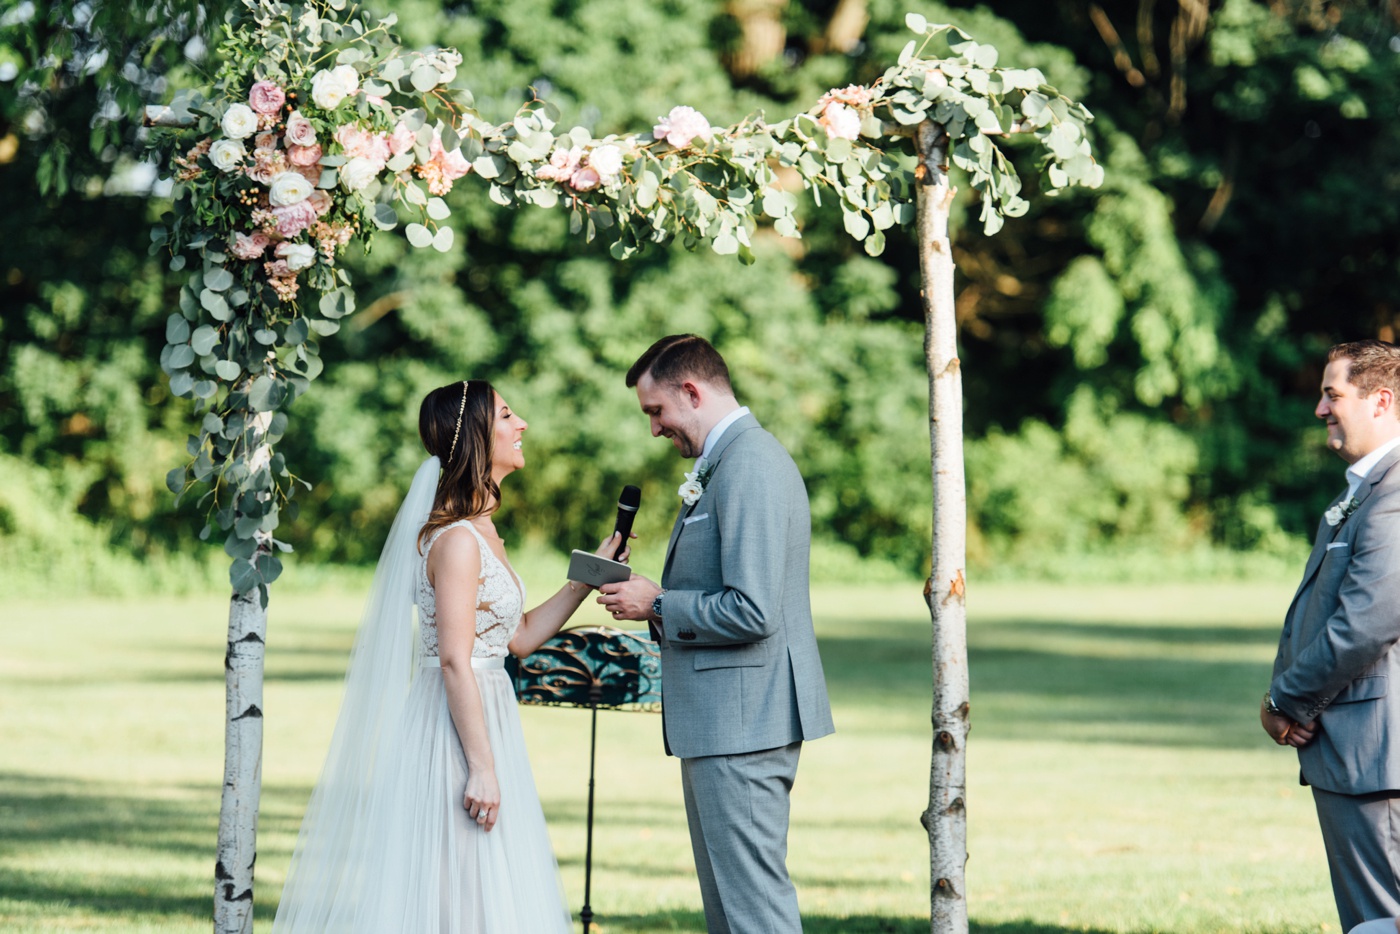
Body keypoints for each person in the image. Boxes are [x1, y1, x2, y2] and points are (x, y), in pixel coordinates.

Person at [272, 378, 626, 933]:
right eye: (508, 415)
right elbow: (456, 661)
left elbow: (520, 637)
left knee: (482, 881)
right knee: (460, 884)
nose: (523, 424)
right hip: (456, 730)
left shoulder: (483, 530)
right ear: (480, 438)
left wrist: (590, 575)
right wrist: (481, 768)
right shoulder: (458, 540)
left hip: (487, 717)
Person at [597, 334, 834, 934]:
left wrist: (659, 603)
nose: (654, 429)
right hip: (725, 724)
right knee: (730, 914)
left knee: (755, 913)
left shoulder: (750, 464)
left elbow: (754, 610)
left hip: (745, 724)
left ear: (692, 391)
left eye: (657, 411)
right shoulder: (727, 463)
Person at [1264, 340, 1400, 933]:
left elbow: (1365, 621)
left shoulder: (1394, 496)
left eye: (1332, 394)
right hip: (1360, 750)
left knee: (1379, 920)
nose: (1321, 409)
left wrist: (1285, 701)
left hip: (1376, 753)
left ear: (1381, 400)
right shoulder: (1365, 492)